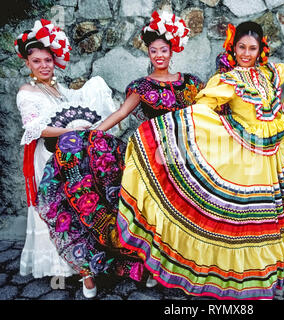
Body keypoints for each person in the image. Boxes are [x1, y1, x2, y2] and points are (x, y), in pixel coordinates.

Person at [115, 21, 284, 299]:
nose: (246, 54)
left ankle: (263, 274)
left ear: (261, 49)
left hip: (273, 158)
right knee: (243, 222)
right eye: (241, 47)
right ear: (233, 48)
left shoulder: (272, 72)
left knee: (268, 220)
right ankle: (235, 278)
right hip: (244, 160)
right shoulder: (228, 81)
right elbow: (202, 109)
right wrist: (170, 131)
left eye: (252, 48)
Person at [35, 11, 204, 297]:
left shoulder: (191, 83)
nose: (159, 55)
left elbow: (205, 114)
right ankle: (147, 268)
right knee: (147, 213)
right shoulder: (142, 86)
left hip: (186, 157)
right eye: (154, 50)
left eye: (164, 49)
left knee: (186, 213)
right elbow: (121, 113)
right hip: (153, 156)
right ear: (148, 53)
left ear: (172, 49)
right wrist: (89, 135)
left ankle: (191, 268)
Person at [14, 19, 120, 298]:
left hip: (71, 158)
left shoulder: (58, 89)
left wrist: (94, 94)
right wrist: (71, 130)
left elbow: (76, 105)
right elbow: (35, 127)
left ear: (54, 60)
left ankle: (85, 266)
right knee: (56, 211)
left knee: (78, 208)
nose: (43, 65)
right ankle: (65, 270)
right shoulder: (27, 92)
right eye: (36, 61)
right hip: (47, 158)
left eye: (47, 60)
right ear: (28, 64)